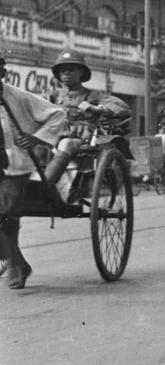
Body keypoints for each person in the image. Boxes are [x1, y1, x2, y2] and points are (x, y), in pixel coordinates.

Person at [0, 56, 68, 289]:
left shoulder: (17, 96)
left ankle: (16, 263)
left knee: (5, 213)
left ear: (2, 73)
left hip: (15, 164)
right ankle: (13, 259)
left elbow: (58, 114)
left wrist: (35, 138)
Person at [44, 50, 131, 201]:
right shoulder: (52, 97)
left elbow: (122, 107)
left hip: (80, 143)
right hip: (52, 139)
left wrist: (98, 108)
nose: (66, 73)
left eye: (71, 69)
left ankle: (44, 186)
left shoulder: (93, 96)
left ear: (81, 72)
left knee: (66, 143)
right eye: (63, 70)